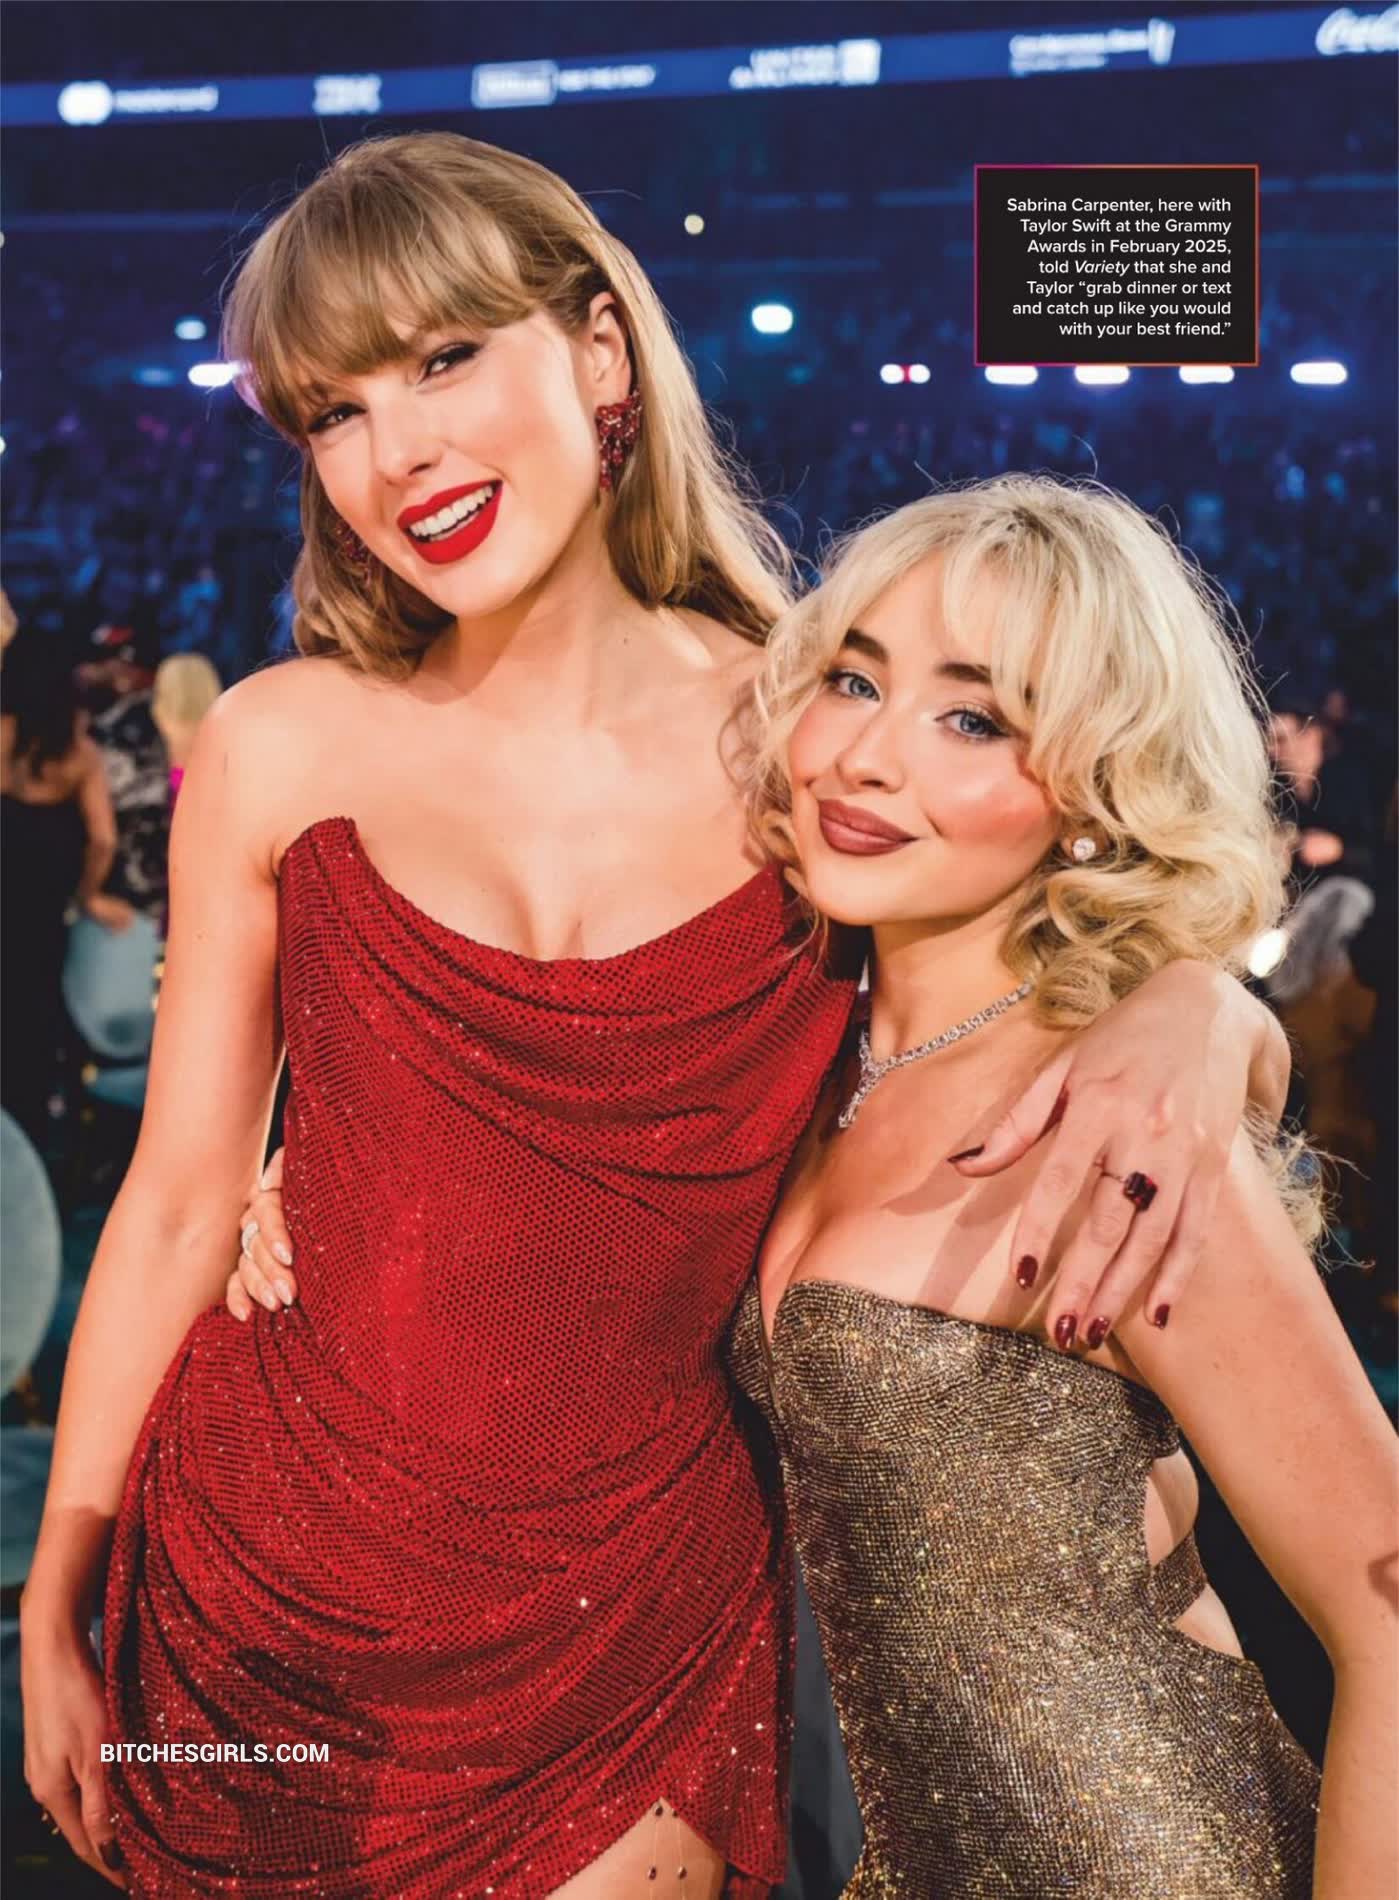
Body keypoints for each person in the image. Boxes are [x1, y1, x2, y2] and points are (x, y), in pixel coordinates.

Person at [21, 134, 1288, 1899]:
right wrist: (59, 1585)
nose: (398, 454)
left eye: (444, 358)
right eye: (333, 412)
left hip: (625, 1632)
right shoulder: (275, 742)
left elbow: (1064, 918)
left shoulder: (808, 740)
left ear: (601, 351)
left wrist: (1196, 1010)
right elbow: (173, 1199)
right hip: (254, 1599)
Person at [722, 475, 1398, 1897]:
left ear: (1093, 795)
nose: (866, 758)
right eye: (854, 681)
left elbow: (1387, 1604)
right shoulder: (801, 1060)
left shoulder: (1121, 1127)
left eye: (972, 719)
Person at [1, 626, 118, 1152]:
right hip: (43, 913)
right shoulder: (77, 752)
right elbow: (103, 839)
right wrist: (87, 894)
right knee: (35, 1020)